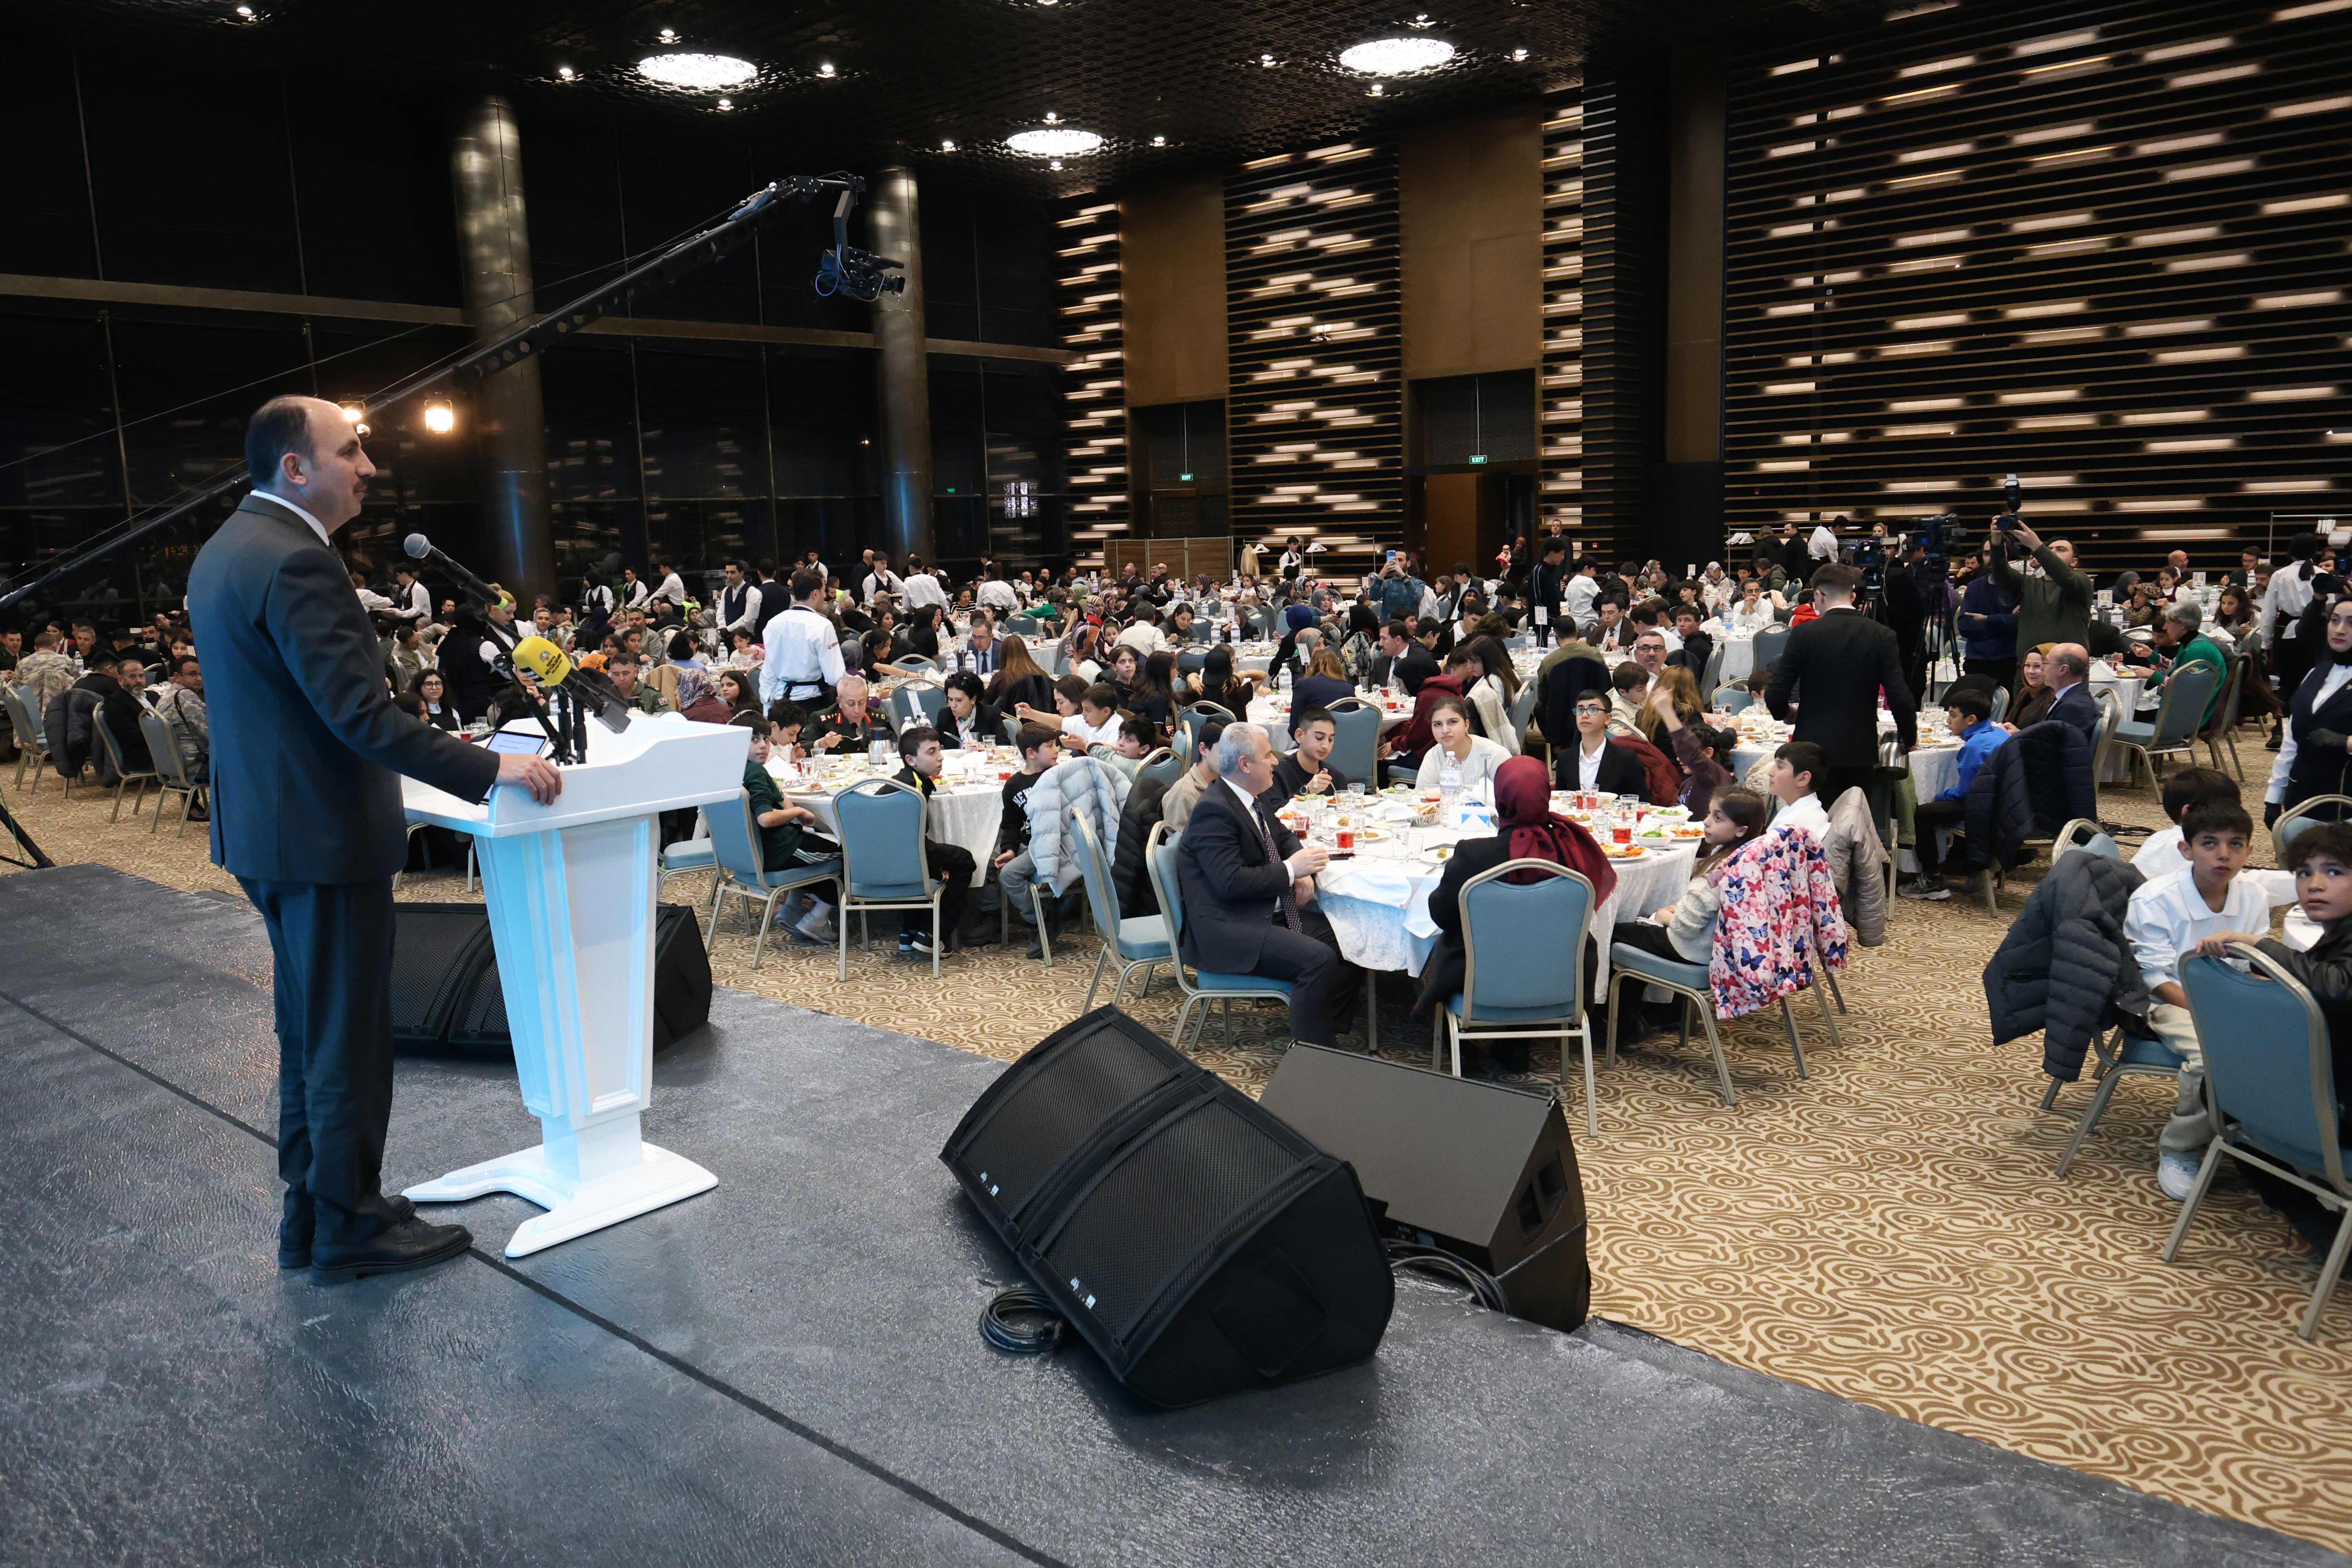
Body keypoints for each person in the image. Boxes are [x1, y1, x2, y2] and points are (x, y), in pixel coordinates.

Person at [188, 394, 561, 1285]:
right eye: (351, 450)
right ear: (296, 467)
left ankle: (314, 1214)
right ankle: (348, 1226)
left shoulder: (226, 549)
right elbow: (358, 715)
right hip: (321, 838)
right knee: (347, 1038)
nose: (369, 467)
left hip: (271, 834)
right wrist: (486, 766)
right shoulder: (298, 563)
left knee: (312, 1030)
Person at [1412, 753, 1619, 1072]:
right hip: (1559, 979)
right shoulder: (1569, 849)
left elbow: (1441, 915)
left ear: (1501, 797)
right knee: (1538, 941)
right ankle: (1516, 1047)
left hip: (1479, 980)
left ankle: (1459, 1051)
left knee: (1439, 942)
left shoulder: (1473, 855)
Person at [1173, 723, 1354, 1047]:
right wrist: (1289, 871)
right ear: (1245, 765)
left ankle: (1326, 1029)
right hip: (1228, 929)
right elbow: (1230, 883)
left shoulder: (1249, 799)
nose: (1275, 762)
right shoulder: (1215, 810)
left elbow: (1283, 837)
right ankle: (1312, 1057)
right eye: (1268, 755)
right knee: (1318, 959)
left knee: (1351, 936)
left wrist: (1301, 872)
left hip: (1257, 913)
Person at [2124, 800, 2267, 1201]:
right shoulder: (2155, 899)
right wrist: (2213, 1011)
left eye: (2236, 845)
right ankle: (2180, 1146)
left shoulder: (2252, 895)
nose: (2224, 855)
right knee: (2212, 1057)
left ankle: (2264, 1133)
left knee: (2297, 1040)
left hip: (2232, 995)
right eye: (2210, 844)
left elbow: (2255, 963)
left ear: (2250, 852)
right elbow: (2152, 978)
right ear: (2186, 850)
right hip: (2171, 1000)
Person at [2221, 822, 2352, 1255]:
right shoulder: (2338, 933)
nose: (2314, 885)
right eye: (2304, 872)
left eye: (2334, 872)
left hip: (2338, 1109)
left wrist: (2261, 946)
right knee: (2220, 1082)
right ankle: (2314, 1210)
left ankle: (2308, 1212)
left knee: (2221, 1088)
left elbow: (2338, 986)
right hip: (2329, 1094)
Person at [1765, 563, 1915, 809]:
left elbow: (1776, 693)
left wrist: (1787, 714)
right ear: (1853, 596)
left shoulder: (1805, 634)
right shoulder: (1881, 634)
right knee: (1852, 826)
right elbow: (1900, 696)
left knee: (1812, 826)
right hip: (1859, 747)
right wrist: (1909, 737)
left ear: (1819, 596)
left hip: (1811, 750)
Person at [1612, 788, 1771, 967]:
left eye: (1718, 818)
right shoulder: (1749, 858)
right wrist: (1682, 910)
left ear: (1741, 831)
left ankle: (1628, 995)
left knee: (1613, 934)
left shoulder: (1717, 870)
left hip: (1693, 951)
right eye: (1710, 813)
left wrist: (1664, 917)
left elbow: (1685, 929)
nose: (1706, 822)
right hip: (1718, 948)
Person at [1896, 686, 2005, 901]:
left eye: (1953, 716)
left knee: (1924, 813)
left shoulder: (1974, 747)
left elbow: (1965, 793)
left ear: (1971, 720)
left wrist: (1941, 796)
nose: (1948, 721)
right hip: (2006, 802)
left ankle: (1932, 879)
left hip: (1986, 807)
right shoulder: (1998, 732)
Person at [740, 717, 840, 946]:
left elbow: (777, 800)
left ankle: (792, 909)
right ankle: (817, 919)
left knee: (815, 842)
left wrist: (789, 805)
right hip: (779, 850)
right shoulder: (754, 771)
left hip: (750, 854)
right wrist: (796, 813)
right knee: (848, 852)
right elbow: (765, 818)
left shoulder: (734, 770)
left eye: (765, 738)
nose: (763, 745)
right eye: (754, 740)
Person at [887, 725, 979, 956]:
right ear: (911, 760)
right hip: (903, 857)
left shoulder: (901, 780)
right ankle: (932, 934)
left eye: (939, 750)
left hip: (883, 858)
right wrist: (936, 871)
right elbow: (909, 839)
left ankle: (909, 933)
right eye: (931, 753)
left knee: (944, 856)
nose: (940, 758)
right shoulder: (913, 790)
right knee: (964, 861)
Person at [2265, 594, 2352, 827]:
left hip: (2345, 803)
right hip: (2301, 798)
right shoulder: (2315, 674)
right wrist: (2274, 797)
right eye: (2335, 620)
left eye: (2351, 623)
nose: (2340, 630)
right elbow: (2292, 742)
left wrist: (2347, 743)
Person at [992, 726, 1061, 958]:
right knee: (991, 862)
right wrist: (1009, 849)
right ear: (1031, 753)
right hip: (1029, 844)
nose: (1057, 750)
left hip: (1053, 843)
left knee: (1009, 875)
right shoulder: (1013, 785)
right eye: (1050, 746)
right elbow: (1010, 823)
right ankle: (1039, 916)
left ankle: (1039, 923)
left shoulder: (1058, 777)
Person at [1985, 522, 2093, 656]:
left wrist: (2037, 546)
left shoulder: (2082, 581)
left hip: (2069, 668)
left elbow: (2064, 576)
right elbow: (2000, 572)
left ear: (2074, 562)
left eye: (2061, 550)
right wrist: (1996, 541)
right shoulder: (2029, 583)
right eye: (2050, 549)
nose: (2052, 552)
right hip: (2030, 666)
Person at [758, 569, 844, 711]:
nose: (825, 596)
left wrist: (767, 709)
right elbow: (835, 676)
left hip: (780, 701)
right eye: (824, 591)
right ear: (815, 594)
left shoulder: (774, 623)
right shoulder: (822, 625)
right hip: (812, 702)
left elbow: (769, 672)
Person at [1416, 697, 1510, 793]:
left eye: (1453, 722)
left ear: (1466, 725)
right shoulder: (1432, 757)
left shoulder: (1494, 754)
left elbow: (1508, 800)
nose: (1445, 730)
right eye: (1438, 724)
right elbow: (1421, 799)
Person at [1162, 718, 1224, 833]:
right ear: (1204, 750)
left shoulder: (1225, 782)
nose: (1232, 759)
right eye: (1224, 751)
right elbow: (1179, 846)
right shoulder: (1183, 795)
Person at [1271, 706, 1348, 799]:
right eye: (1319, 738)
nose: (1326, 746)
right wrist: (1307, 791)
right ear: (1300, 736)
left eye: (1331, 740)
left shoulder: (1335, 778)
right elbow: (1272, 810)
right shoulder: (1278, 773)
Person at [808, 672, 890, 754]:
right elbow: (800, 750)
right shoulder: (823, 720)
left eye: (862, 703)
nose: (857, 710)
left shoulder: (879, 718)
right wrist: (823, 744)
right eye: (851, 704)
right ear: (840, 702)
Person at [1767, 740, 1832, 843]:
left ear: (1803, 779)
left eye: (1780, 767)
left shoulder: (1792, 826)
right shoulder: (1803, 809)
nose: (1770, 773)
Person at [2039, 644, 2099, 737]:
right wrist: (2020, 734)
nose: (2042, 668)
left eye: (2046, 663)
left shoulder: (2073, 708)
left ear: (2063, 670)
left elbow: (2054, 748)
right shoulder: (2073, 696)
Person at [1374, 619, 1438, 695]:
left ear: (1398, 640)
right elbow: (1373, 691)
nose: (1380, 644)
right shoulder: (1380, 663)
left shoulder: (1421, 660)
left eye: (1384, 639)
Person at [940, 671, 997, 751]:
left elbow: (1004, 744)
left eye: (959, 700)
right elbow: (933, 741)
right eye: (950, 699)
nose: (953, 705)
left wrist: (985, 748)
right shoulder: (945, 715)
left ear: (973, 700)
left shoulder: (990, 714)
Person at [2007, 644, 2055, 730]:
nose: (2030, 671)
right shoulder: (2024, 692)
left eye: (2037, 666)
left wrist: (2018, 734)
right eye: (2027, 665)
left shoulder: (2056, 697)